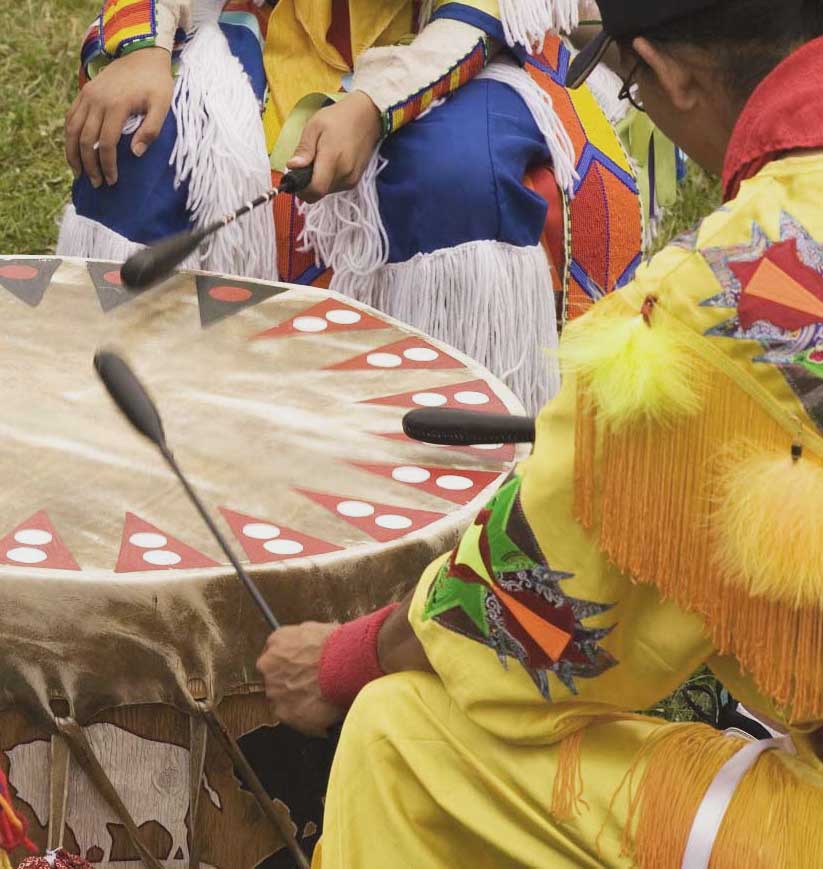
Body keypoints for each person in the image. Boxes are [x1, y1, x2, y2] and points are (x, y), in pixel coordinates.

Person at [256, 0, 823, 864]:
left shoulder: (728, 302)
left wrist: (346, 656)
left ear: (670, 73)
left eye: (629, 85)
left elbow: (543, 606)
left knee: (403, 735)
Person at [59, 0, 650, 413]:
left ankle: (460, 439)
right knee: (147, 142)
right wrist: (141, 49)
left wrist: (375, 106)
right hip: (268, 18)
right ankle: (153, 413)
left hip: (460, 31)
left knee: (454, 177)